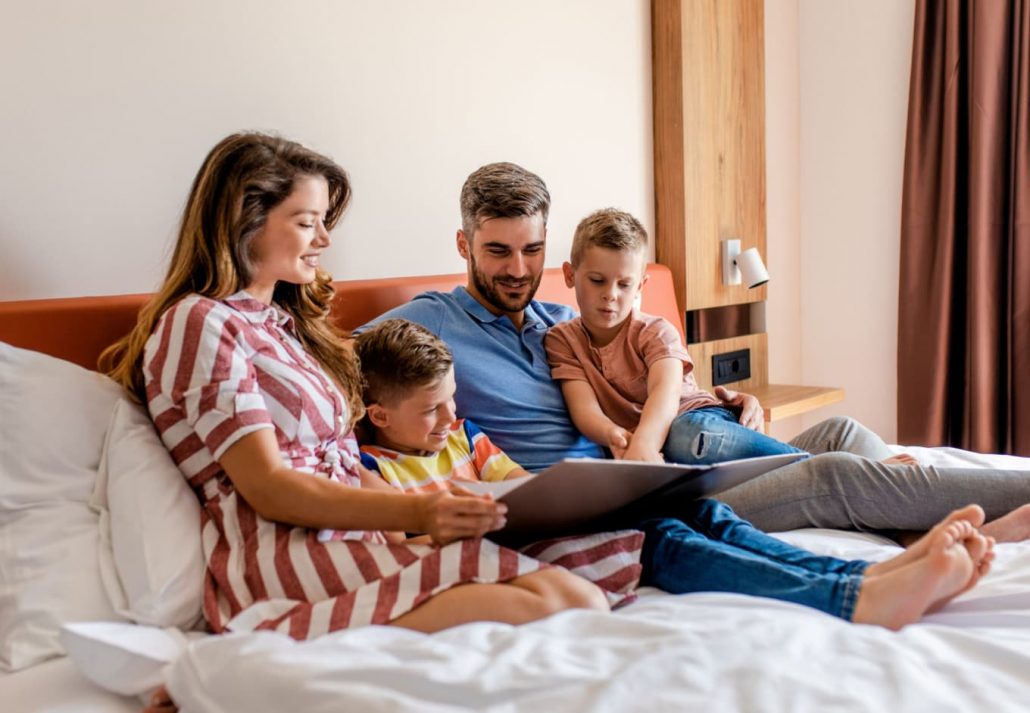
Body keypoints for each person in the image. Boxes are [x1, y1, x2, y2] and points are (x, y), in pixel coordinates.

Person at [101, 134, 614, 654]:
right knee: (566, 608)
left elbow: (349, 461)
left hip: (360, 538)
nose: (324, 239)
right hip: (289, 557)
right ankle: (267, 651)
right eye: (307, 223)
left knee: (577, 596)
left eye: (325, 221)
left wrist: (424, 522)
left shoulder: (286, 326)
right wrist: (420, 512)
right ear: (245, 222)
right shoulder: (200, 323)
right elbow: (269, 487)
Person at [359, 161, 1030, 542]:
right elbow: (322, 367)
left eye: (531, 250)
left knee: (842, 432)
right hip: (611, 512)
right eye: (496, 250)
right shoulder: (427, 323)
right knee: (833, 476)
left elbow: (653, 371)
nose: (515, 268)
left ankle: (921, 526)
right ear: (462, 245)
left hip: (667, 470)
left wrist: (722, 397)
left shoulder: (566, 317)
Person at [351, 318, 997, 630]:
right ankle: (852, 599)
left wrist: (556, 489)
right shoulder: (371, 471)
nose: (450, 416)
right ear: (377, 413)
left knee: (704, 511)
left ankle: (865, 573)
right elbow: (403, 546)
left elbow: (520, 483)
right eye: (431, 408)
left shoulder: (466, 435)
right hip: (523, 556)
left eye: (453, 398)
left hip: (557, 522)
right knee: (672, 542)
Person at [544, 207, 918, 469]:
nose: (611, 294)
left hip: (693, 421)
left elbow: (665, 395)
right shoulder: (562, 339)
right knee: (691, 454)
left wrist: (644, 442)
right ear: (570, 275)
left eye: (624, 284)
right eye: (597, 281)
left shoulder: (654, 331)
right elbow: (584, 408)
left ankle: (825, 467)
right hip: (660, 449)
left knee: (688, 436)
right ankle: (831, 450)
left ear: (641, 286)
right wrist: (615, 436)